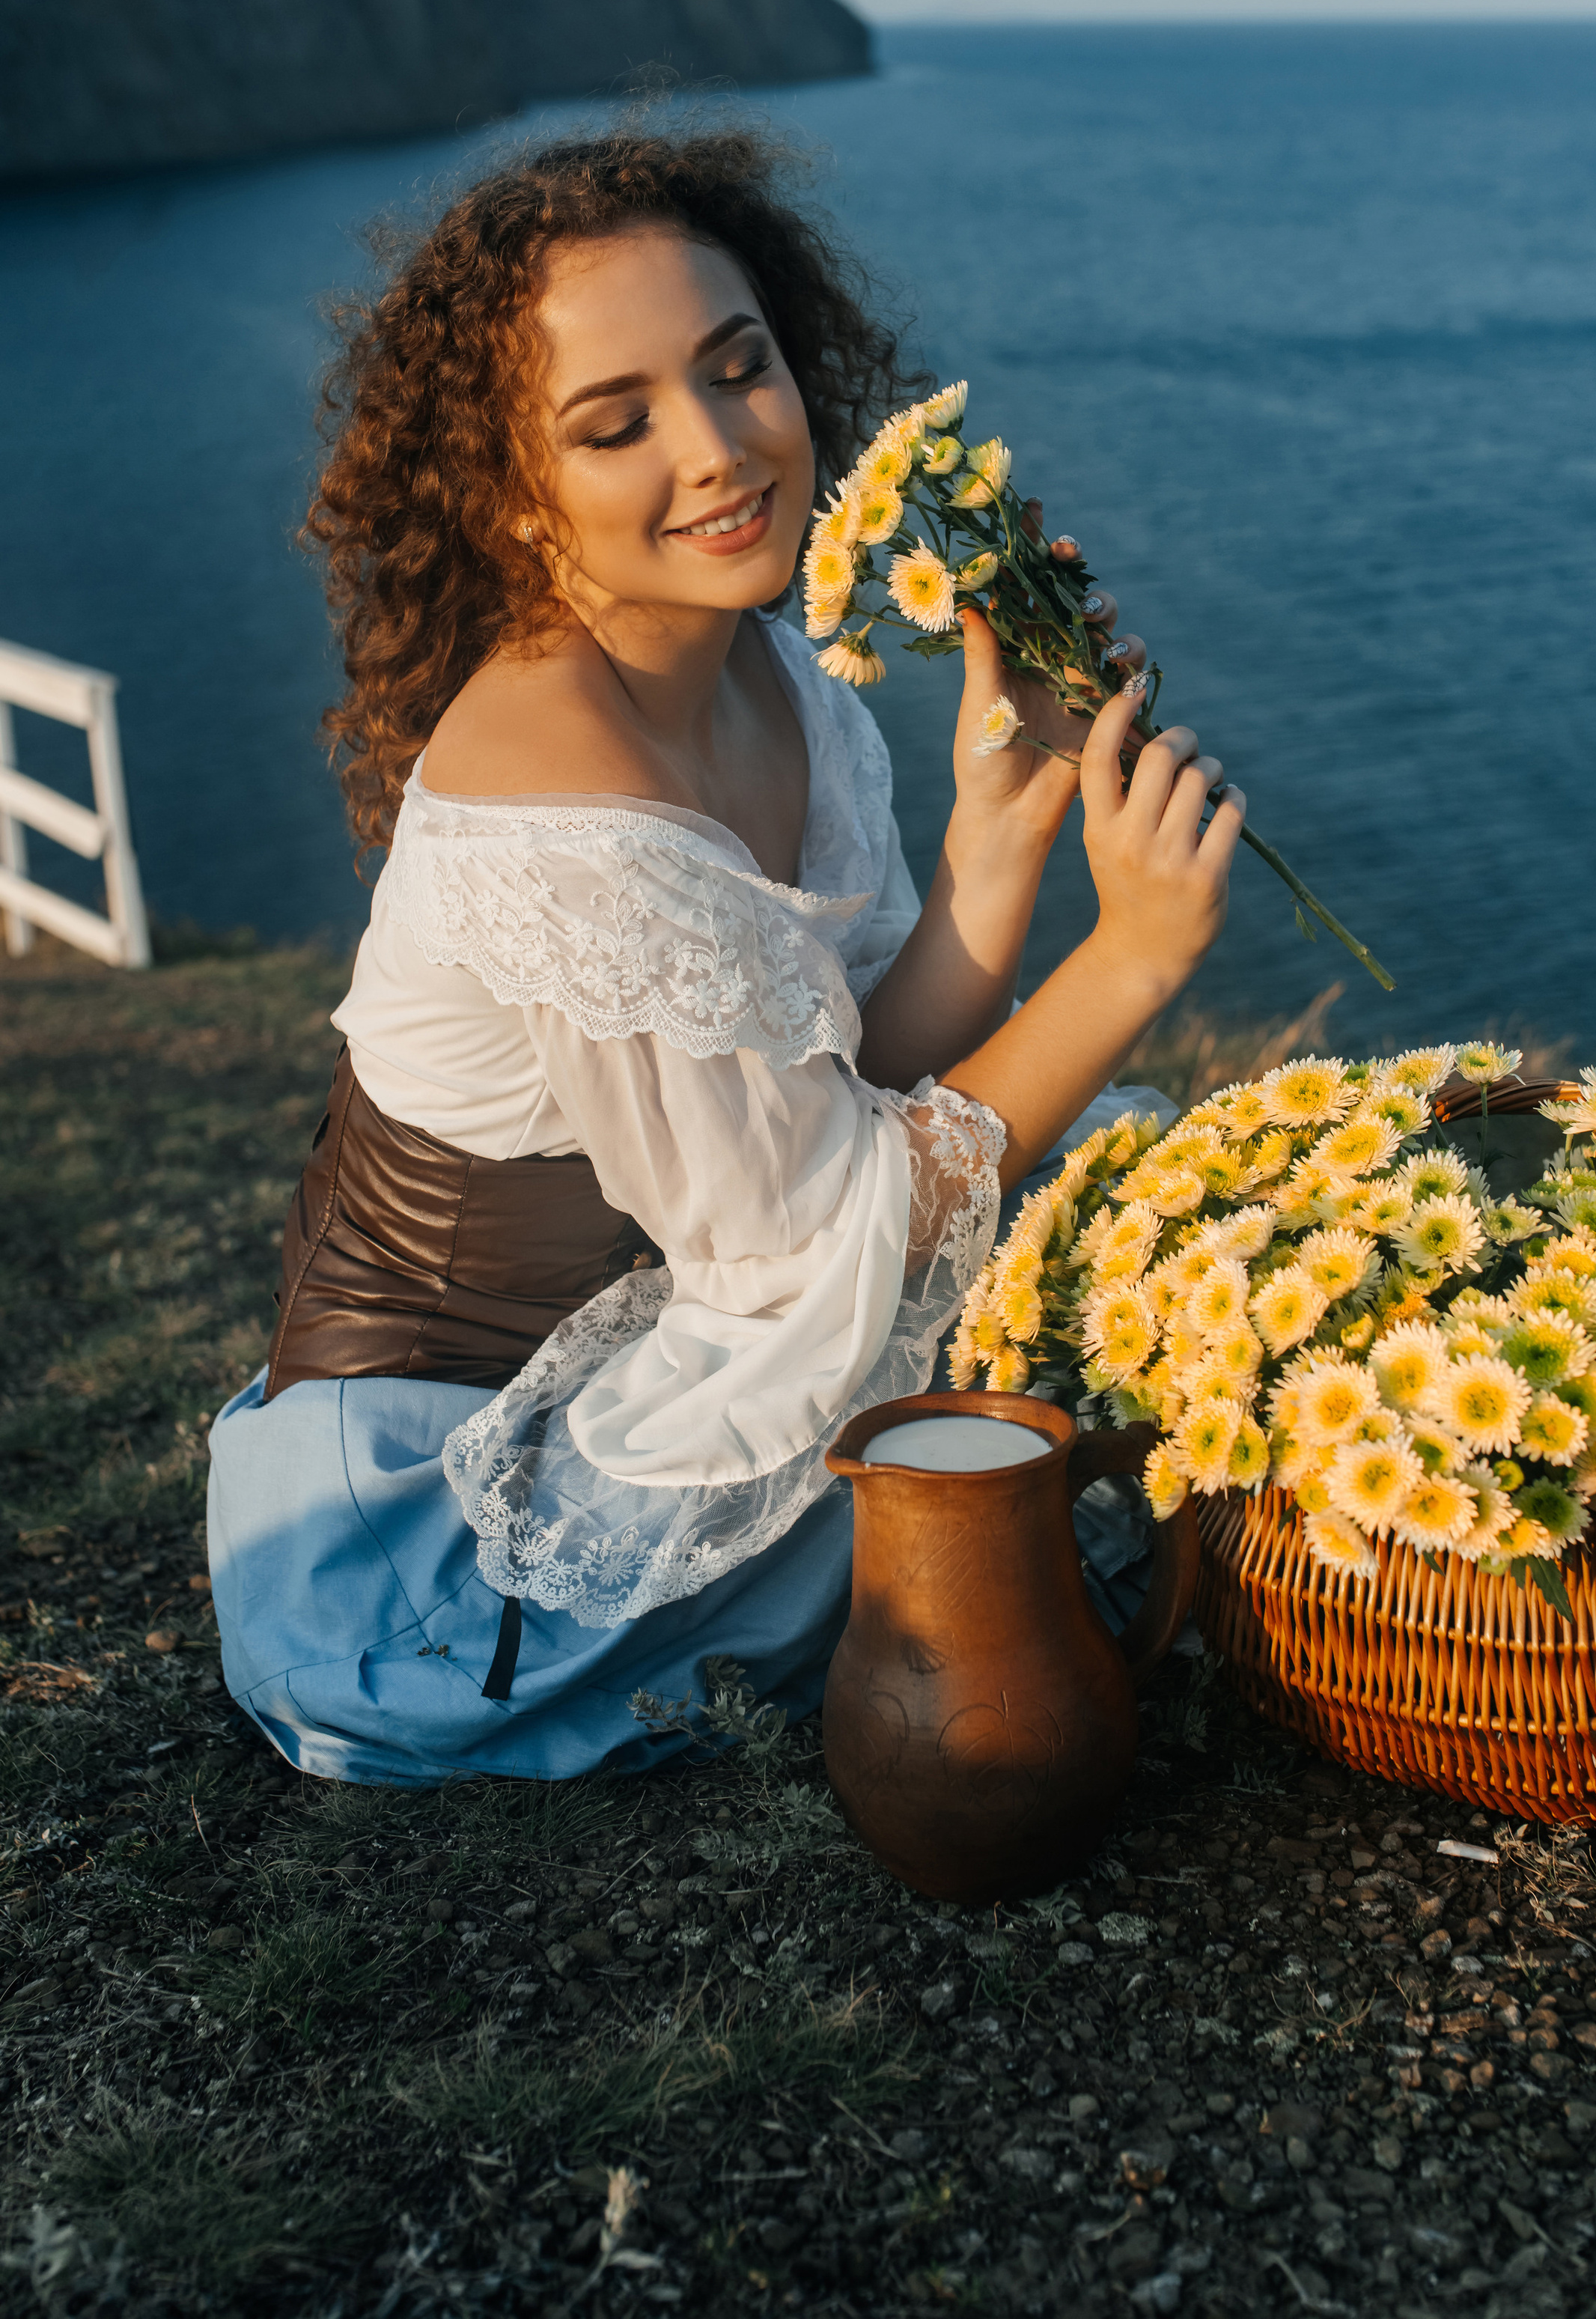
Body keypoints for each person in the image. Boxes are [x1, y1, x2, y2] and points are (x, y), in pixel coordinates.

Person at [206, 127, 1242, 1784]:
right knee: (1056, 1420)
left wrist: (997, 835)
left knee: (1131, 1240)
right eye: (613, 424)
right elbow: (817, 1249)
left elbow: (849, 1077)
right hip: (439, 1530)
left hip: (663, 1334)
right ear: (510, 499)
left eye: (736, 365)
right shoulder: (565, 801)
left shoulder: (771, 680)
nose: (717, 449)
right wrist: (1126, 961)